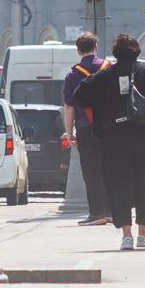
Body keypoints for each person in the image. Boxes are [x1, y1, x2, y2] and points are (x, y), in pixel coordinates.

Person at [75, 33, 145, 251]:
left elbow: (80, 94)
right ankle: (143, 233)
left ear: (116, 53)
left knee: (120, 183)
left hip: (115, 136)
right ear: (136, 50)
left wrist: (102, 111)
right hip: (144, 134)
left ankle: (126, 236)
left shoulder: (108, 73)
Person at [61, 32, 111, 226]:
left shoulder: (73, 75)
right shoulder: (109, 68)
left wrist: (69, 131)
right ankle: (112, 211)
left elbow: (69, 107)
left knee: (91, 171)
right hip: (109, 127)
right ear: (96, 46)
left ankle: (97, 212)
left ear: (78, 50)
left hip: (85, 128)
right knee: (109, 168)